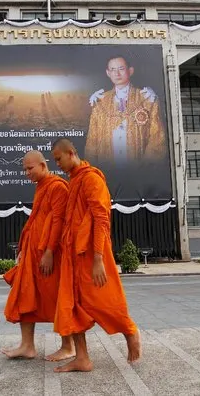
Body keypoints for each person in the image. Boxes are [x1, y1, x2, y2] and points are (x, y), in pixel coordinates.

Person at [50, 138, 141, 373]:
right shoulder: (75, 181)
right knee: (73, 305)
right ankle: (82, 358)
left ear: (71, 153)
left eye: (58, 159)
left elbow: (101, 219)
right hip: (73, 254)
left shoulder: (91, 179)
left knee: (102, 300)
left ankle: (129, 330)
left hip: (91, 253)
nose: (57, 164)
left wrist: (99, 258)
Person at [2, 150, 75, 361]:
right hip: (33, 255)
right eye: (24, 169)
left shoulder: (57, 186)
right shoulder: (41, 187)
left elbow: (58, 222)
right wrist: (25, 250)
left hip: (50, 256)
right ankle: (27, 346)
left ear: (43, 165)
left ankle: (68, 346)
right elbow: (37, 221)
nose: (26, 173)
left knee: (57, 297)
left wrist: (50, 252)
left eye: (30, 168)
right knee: (25, 295)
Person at [84, 55, 166, 168]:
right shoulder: (100, 101)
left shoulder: (147, 98)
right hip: (107, 170)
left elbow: (157, 139)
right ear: (108, 73)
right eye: (113, 69)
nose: (117, 74)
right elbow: (92, 141)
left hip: (138, 170)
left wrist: (145, 167)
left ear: (130, 71)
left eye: (121, 69)